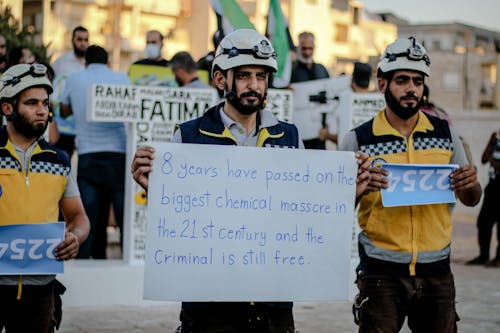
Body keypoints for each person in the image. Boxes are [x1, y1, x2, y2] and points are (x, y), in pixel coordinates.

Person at [132, 28, 370, 332]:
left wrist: (353, 194)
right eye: (243, 75)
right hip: (208, 307)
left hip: (273, 308)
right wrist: (155, 189)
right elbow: (178, 217)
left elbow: (309, 215)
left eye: (261, 75)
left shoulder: (289, 137)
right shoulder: (189, 136)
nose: (254, 85)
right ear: (220, 79)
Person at [339, 36, 482, 332]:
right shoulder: (358, 140)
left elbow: (471, 198)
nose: (411, 89)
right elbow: (335, 208)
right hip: (380, 274)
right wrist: (357, 189)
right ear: (382, 84)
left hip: (437, 273)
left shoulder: (445, 133)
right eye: (402, 80)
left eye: (418, 81)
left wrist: (470, 184)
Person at [0, 63, 90, 332]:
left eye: (45, 102)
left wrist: (75, 237)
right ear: (7, 108)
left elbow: (79, 217)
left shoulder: (59, 160)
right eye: (31, 103)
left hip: (40, 292)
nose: (42, 110)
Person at [61, 45, 129, 259]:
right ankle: (128, 256)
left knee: (89, 213)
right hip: (119, 153)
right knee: (122, 212)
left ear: (85, 62)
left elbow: (64, 110)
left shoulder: (74, 79)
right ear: (108, 60)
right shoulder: (122, 79)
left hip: (88, 153)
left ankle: (84, 261)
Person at [291, 31, 335, 149]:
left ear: (314, 47)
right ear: (298, 47)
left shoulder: (322, 69)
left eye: (310, 48)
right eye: (304, 48)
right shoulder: (290, 69)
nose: (307, 52)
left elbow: (331, 97)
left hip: (319, 132)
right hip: (298, 130)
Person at [51, 26, 89, 160]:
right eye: (79, 39)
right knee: (62, 161)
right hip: (64, 125)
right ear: (72, 40)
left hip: (86, 125)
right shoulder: (61, 63)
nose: (83, 43)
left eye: (85, 40)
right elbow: (52, 91)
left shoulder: (92, 64)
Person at [466, 130, 500, 267]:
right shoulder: (496, 140)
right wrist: (490, 142)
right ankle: (483, 255)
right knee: (484, 222)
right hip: (493, 186)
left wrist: (493, 160)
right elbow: (483, 159)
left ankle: (498, 258)